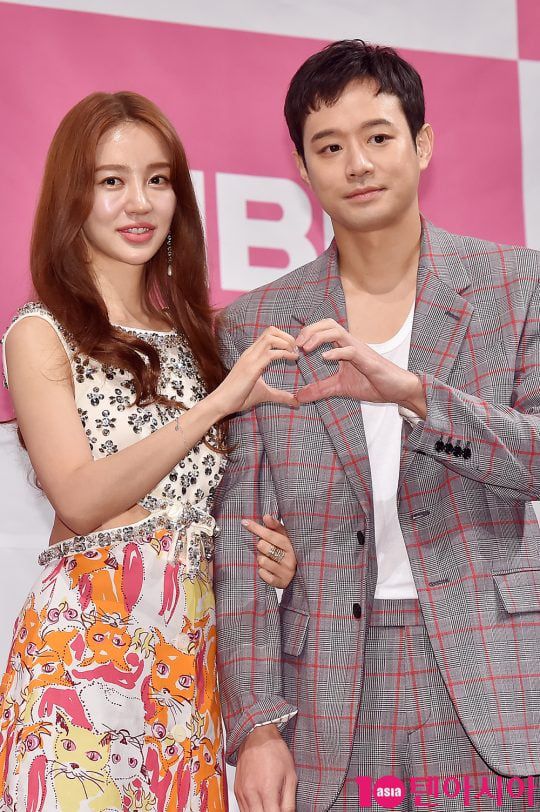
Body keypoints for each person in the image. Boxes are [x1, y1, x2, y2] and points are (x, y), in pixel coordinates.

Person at [214, 39, 540, 811]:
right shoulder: (258, 323)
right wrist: (257, 725)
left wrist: (418, 395)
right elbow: (240, 537)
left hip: (491, 669)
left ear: (421, 145)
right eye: (329, 147)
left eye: (378, 137)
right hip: (330, 685)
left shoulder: (516, 285)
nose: (356, 164)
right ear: (302, 168)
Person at [0, 91, 299, 811]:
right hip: (81, 668)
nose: (139, 202)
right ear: (73, 197)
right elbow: (79, 498)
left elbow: (221, 509)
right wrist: (216, 406)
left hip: (187, 671)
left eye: (158, 179)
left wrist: (275, 560)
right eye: (112, 180)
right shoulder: (40, 333)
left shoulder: (203, 340)